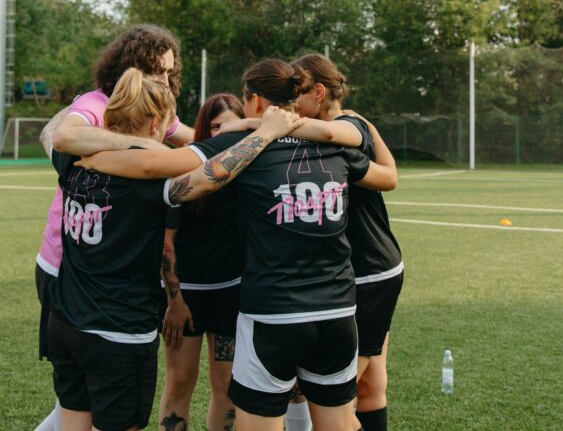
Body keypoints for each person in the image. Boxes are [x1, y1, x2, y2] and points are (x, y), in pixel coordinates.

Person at [78, 59, 398, 431]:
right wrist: (367, 128)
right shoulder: (334, 140)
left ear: (256, 101)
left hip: (272, 314)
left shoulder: (241, 144)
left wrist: (92, 159)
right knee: (340, 423)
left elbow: (156, 166)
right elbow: (388, 177)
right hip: (338, 312)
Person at [47, 68, 304, 431]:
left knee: (73, 421)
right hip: (118, 331)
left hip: (66, 323)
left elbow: (58, 133)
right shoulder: (153, 185)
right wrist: (265, 133)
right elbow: (210, 174)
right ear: (156, 123)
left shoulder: (70, 159)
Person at [35, 24, 195, 431]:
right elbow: (66, 135)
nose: (164, 79)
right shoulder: (95, 103)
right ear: (130, 65)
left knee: (78, 392)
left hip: (90, 261)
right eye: (156, 70)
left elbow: (195, 139)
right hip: (65, 261)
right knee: (89, 382)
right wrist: (144, 150)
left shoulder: (152, 105)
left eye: (169, 72)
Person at [291, 54, 402, 431]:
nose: (292, 104)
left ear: (319, 92)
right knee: (369, 385)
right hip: (357, 270)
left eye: (298, 94)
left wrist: (268, 125)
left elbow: (339, 136)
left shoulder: (345, 126)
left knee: (336, 393)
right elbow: (389, 177)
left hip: (370, 271)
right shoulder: (343, 126)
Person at [158, 93, 246, 431]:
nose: (224, 134)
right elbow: (166, 244)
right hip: (186, 296)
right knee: (180, 380)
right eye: (215, 127)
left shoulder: (248, 171)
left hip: (230, 294)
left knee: (227, 384)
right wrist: (175, 300)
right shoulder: (186, 171)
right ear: (204, 131)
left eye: (231, 126)